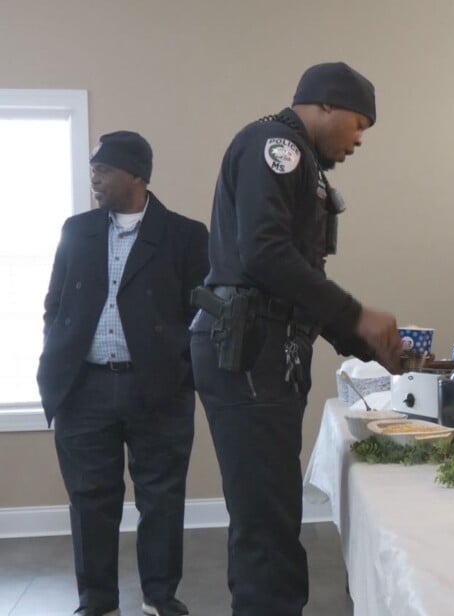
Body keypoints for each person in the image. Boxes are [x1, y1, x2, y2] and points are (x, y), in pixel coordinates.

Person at [190, 62, 401, 616]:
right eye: (359, 123)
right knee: (267, 522)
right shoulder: (276, 146)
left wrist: (362, 340)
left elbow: (293, 279)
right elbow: (264, 254)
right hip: (249, 352)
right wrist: (356, 315)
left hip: (264, 350)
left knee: (272, 512)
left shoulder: (301, 162)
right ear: (327, 104)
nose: (359, 139)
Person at [37, 131, 209, 616]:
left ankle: (159, 596)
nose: (94, 176)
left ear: (137, 174)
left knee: (161, 497)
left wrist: (181, 370)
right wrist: (55, 357)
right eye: (93, 168)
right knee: (90, 498)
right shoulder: (77, 230)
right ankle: (97, 600)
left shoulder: (185, 235)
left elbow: (204, 316)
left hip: (157, 387)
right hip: (83, 387)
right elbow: (55, 306)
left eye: (104, 168)